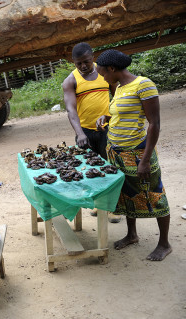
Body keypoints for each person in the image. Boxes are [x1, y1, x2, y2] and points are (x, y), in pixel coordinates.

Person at [95, 49, 171, 261]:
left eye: (103, 73)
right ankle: (132, 234)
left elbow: (154, 123)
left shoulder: (144, 85)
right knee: (127, 195)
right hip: (118, 154)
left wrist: (145, 160)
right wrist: (105, 117)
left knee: (155, 195)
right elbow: (120, 112)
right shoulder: (119, 88)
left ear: (112, 69)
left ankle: (164, 244)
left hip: (138, 153)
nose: (102, 77)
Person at [62, 42, 121, 223]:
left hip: (106, 129)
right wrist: (80, 134)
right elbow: (71, 110)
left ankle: (113, 207)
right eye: (78, 63)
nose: (83, 66)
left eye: (86, 62)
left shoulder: (105, 73)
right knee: (90, 169)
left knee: (111, 167)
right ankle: (98, 203)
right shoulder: (70, 81)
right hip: (85, 132)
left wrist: (112, 118)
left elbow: (117, 95)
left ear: (92, 57)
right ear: (73, 62)